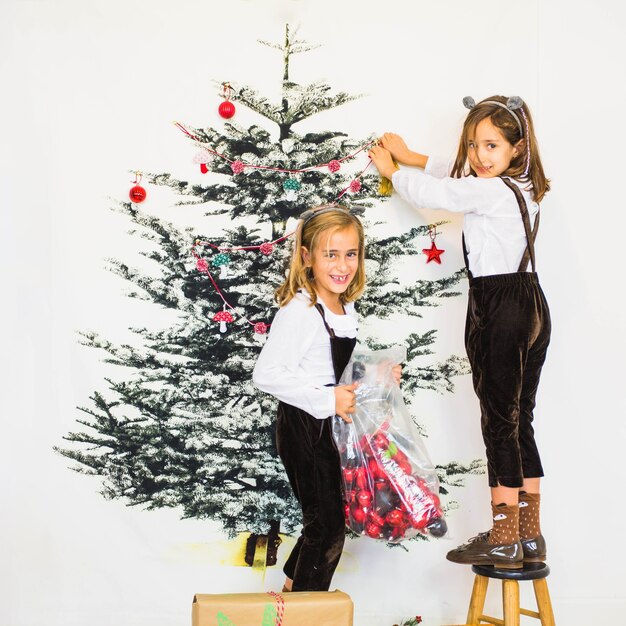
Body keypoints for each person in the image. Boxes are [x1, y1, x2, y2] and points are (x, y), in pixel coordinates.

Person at [368, 95, 551, 570]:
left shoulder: (488, 190)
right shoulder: (524, 187)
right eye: (473, 145)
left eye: (491, 145)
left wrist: (394, 171)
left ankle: (504, 536)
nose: (479, 155)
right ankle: (530, 536)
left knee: (499, 421)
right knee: (519, 417)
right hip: (532, 300)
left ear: (517, 147)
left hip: (500, 306)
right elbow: (462, 172)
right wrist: (412, 154)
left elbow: (444, 194)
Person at [252, 205, 365, 592]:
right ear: (306, 257)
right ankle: (306, 610)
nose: (342, 265)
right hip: (304, 427)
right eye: (330, 254)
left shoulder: (343, 306)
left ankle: (289, 597)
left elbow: (332, 370)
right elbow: (266, 375)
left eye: (350, 254)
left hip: (328, 428)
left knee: (324, 523)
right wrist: (325, 402)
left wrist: (375, 374)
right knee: (328, 529)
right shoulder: (300, 310)